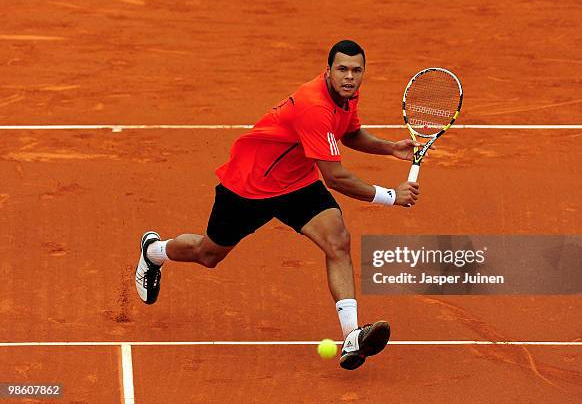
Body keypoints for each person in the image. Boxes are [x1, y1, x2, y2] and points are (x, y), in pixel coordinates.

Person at [135, 40, 421, 370]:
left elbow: (350, 133)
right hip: (250, 184)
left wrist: (389, 148)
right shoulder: (314, 107)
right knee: (208, 254)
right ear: (327, 71)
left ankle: (352, 336)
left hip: (296, 182)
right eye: (342, 69)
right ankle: (153, 251)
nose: (349, 77)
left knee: (338, 241)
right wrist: (391, 196)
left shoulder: (346, 96)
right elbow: (336, 178)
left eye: (357, 71)